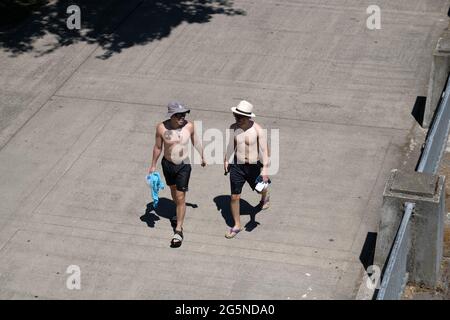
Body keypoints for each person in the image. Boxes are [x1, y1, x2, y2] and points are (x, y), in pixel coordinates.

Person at [148, 101, 206, 248]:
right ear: (171, 116)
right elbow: (157, 147)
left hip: (183, 166)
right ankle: (177, 211)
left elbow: (196, 141)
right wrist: (153, 165)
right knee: (173, 191)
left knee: (180, 197)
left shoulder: (189, 126)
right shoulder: (161, 128)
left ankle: (178, 230)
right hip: (167, 164)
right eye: (179, 115)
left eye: (184, 114)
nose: (182, 117)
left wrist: (203, 155)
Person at [223, 100, 270, 239]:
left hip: (254, 166)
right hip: (237, 166)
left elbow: (265, 151)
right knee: (234, 196)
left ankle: (264, 197)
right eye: (236, 116)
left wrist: (265, 169)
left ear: (249, 117)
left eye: (240, 117)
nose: (237, 119)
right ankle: (237, 225)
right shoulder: (233, 127)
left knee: (260, 188)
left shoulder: (257, 130)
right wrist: (226, 160)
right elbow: (231, 146)